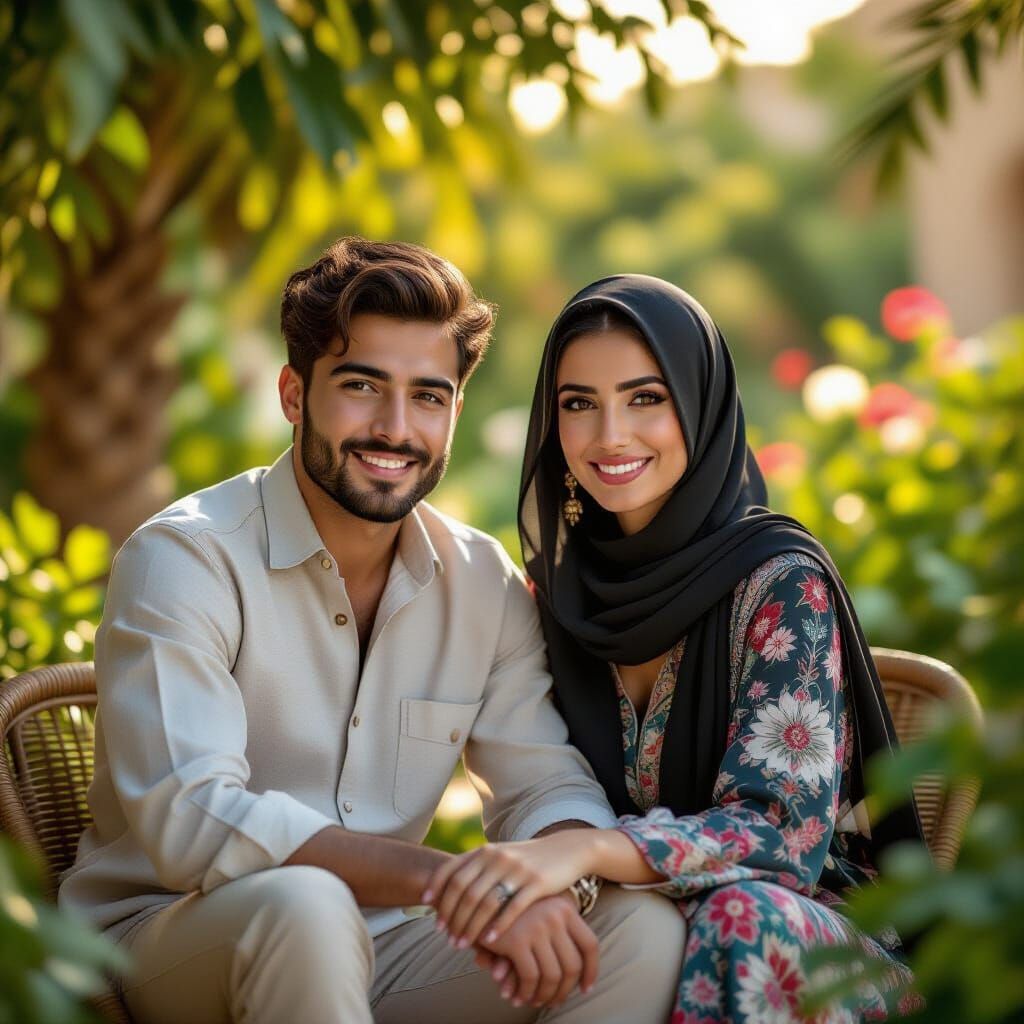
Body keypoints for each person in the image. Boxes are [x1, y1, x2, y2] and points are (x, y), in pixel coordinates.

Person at [58, 245, 686, 1024]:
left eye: (428, 396)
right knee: (304, 905)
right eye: (362, 387)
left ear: (455, 411)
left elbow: (543, 784)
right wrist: (448, 884)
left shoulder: (479, 583)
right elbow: (193, 818)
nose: (395, 429)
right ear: (294, 394)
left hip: (381, 945)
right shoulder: (185, 558)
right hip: (166, 939)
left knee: (636, 929)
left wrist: (555, 877)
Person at [424, 275, 925, 1022]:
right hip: (636, 937)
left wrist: (589, 850)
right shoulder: (555, 607)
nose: (610, 436)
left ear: (699, 401)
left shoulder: (779, 582)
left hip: (812, 949)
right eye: (579, 404)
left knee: (734, 919)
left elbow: (780, 834)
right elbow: (525, 783)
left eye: (645, 398)